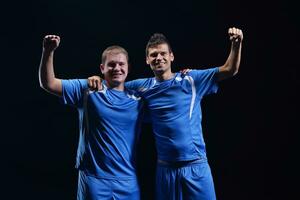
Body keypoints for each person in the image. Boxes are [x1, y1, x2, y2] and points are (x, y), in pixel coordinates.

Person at [88, 27, 243, 199]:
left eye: (162, 53)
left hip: (196, 166)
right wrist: (97, 79)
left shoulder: (191, 79)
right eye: (153, 55)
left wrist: (236, 44)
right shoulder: (140, 86)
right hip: (165, 169)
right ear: (147, 59)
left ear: (171, 56)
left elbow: (230, 69)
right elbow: (115, 84)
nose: (158, 58)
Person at [38, 35, 144, 200]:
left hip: (128, 181)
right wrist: (48, 51)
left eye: (121, 64)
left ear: (128, 67)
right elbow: (48, 83)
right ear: (102, 68)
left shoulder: (139, 99)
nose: (117, 68)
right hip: (94, 180)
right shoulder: (88, 89)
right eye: (111, 64)